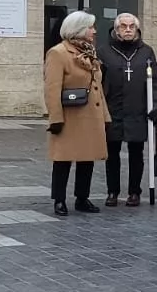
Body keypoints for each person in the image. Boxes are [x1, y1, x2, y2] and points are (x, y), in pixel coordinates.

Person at [45, 11, 111, 217]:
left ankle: (82, 197)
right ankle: (59, 199)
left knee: (87, 158)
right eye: (90, 27)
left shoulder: (90, 52)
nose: (94, 31)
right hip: (69, 115)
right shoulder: (58, 53)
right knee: (63, 159)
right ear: (79, 29)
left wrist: (106, 117)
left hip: (91, 115)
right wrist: (55, 118)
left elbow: (98, 86)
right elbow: (51, 88)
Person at [99, 13, 157, 208]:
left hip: (138, 110)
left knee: (136, 153)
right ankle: (112, 191)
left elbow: (155, 82)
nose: (127, 30)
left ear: (137, 29)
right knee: (112, 153)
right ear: (116, 29)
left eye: (131, 26)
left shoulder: (146, 52)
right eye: (123, 26)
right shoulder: (105, 51)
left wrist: (155, 105)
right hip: (113, 110)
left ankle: (134, 192)